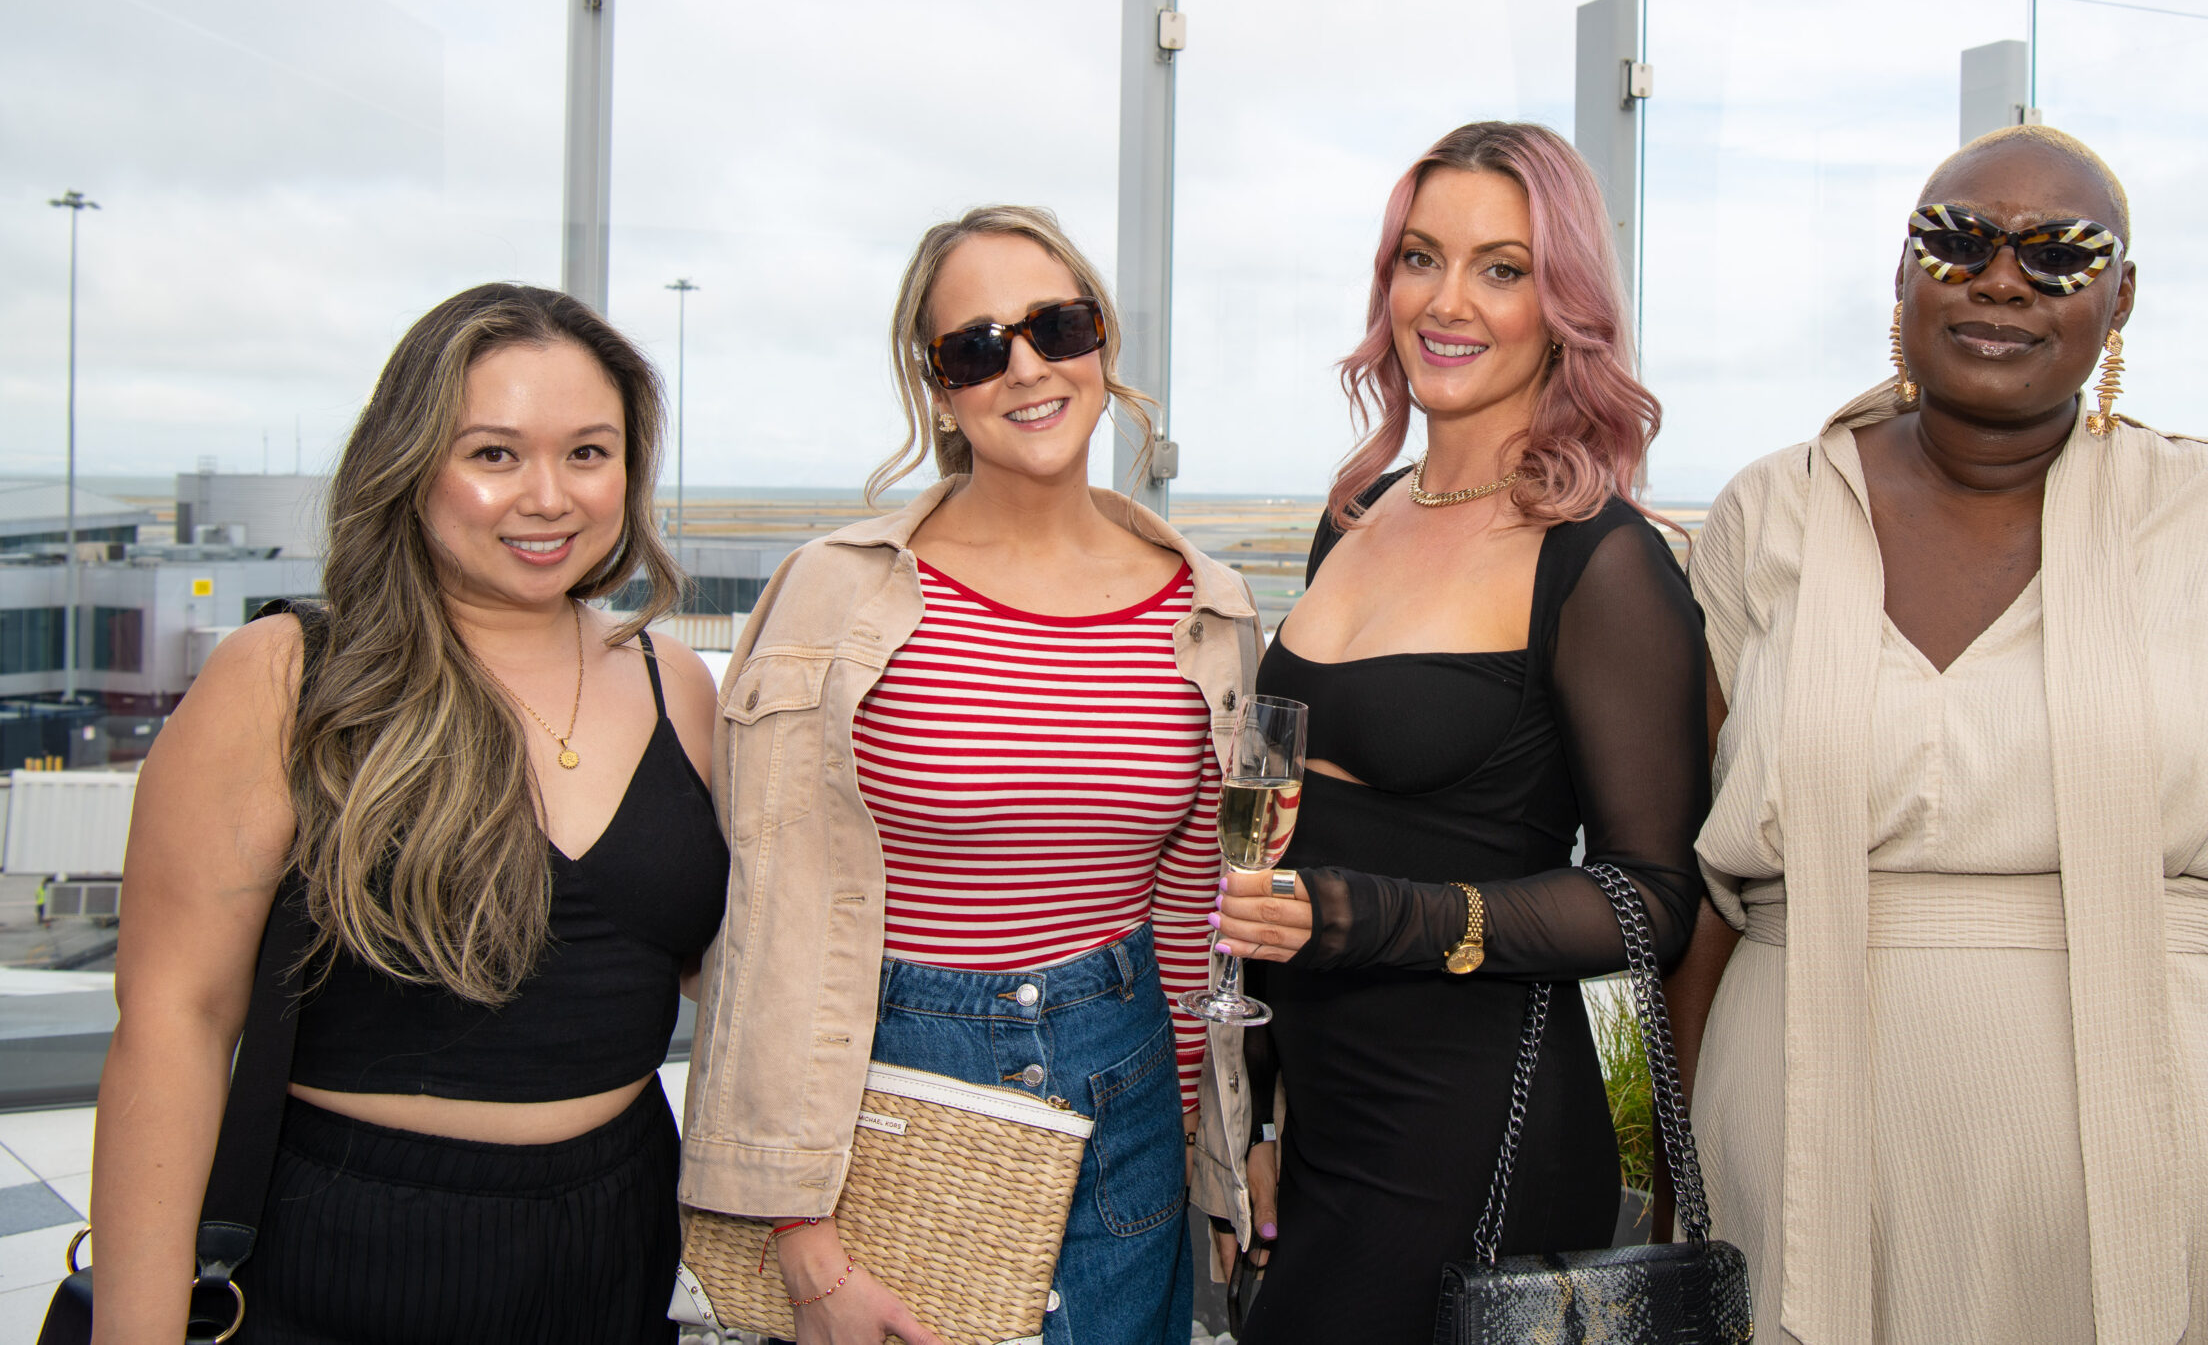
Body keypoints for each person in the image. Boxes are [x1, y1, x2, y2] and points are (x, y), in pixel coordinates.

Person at [1669, 122, 2208, 1344]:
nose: (2000, 279)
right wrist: (1671, 1184)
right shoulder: (1771, 513)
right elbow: (1703, 888)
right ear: (1902, 274)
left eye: (2059, 254)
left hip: (2197, 1156)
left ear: (2120, 297)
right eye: (1959, 240)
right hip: (1807, 1154)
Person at [89, 283, 724, 1344]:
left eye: (587, 452)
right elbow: (175, 1025)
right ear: (411, 464)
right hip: (346, 1254)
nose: (548, 497)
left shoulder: (671, 680)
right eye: (493, 454)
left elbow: (698, 956)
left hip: (613, 1244)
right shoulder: (291, 675)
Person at [679, 205, 1258, 1345]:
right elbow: (765, 920)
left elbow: (1194, 913)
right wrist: (799, 1227)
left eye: (1057, 325)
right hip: (884, 1100)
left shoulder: (1209, 607)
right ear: (936, 386)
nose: (1027, 367)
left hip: (1125, 1096)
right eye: (977, 347)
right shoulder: (831, 595)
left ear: (1105, 341)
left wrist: (1208, 1155)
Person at [1206, 121, 1711, 1345]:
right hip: (1325, 1118)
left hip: (1480, 1122)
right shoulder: (1357, 519)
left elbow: (1652, 899)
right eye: (1418, 258)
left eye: (1501, 267)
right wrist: (1263, 1119)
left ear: (1566, 303)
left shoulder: (1603, 560)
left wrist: (1369, 915)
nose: (1446, 301)